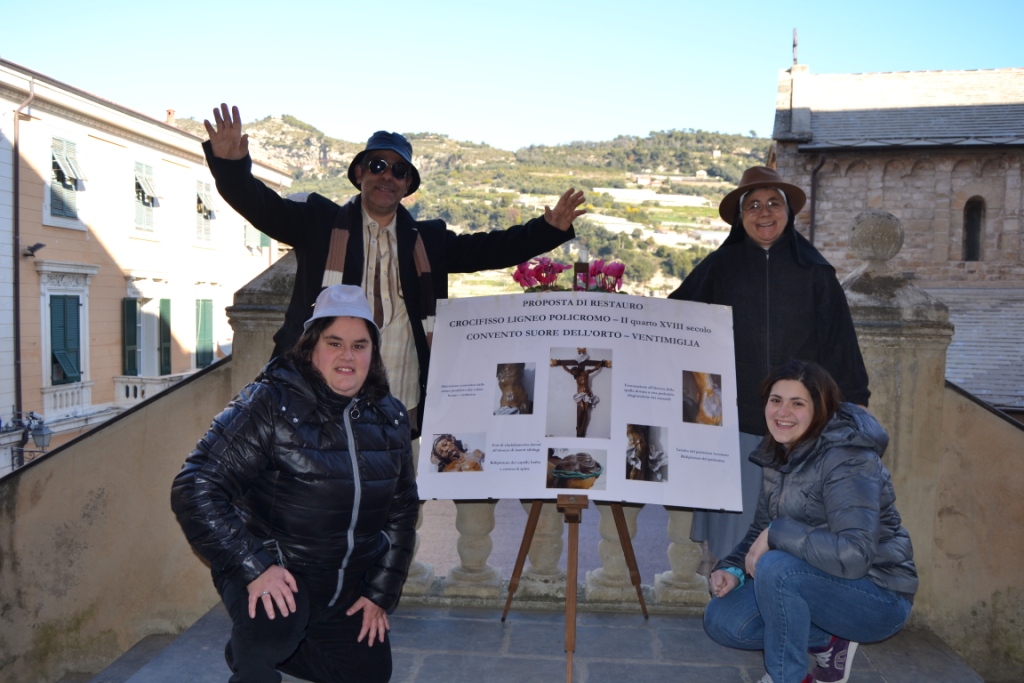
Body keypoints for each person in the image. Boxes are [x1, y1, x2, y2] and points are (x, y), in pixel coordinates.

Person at [203, 104, 584, 434]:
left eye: (399, 170)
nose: (388, 175)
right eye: (378, 165)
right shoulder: (318, 222)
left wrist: (548, 229)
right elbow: (261, 206)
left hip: (401, 394)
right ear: (359, 173)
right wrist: (231, 167)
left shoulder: (427, 240)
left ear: (408, 185)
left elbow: (490, 249)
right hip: (319, 391)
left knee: (391, 490)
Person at [171, 284, 418, 683]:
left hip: (341, 589)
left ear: (373, 354)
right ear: (310, 347)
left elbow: (402, 511)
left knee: (369, 674)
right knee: (274, 631)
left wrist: (378, 593)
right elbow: (195, 485)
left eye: (359, 346)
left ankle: (266, 644)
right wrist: (256, 567)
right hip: (276, 573)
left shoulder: (390, 417)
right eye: (334, 343)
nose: (347, 356)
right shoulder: (269, 403)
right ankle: (257, 652)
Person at [668, 166, 870, 566]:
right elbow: (673, 320)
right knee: (734, 532)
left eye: (773, 203)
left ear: (788, 213)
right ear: (741, 217)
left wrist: (856, 401)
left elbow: (840, 342)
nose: (764, 213)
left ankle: (783, 596)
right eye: (754, 205)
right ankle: (730, 594)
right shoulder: (719, 267)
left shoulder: (816, 272)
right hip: (734, 422)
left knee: (793, 531)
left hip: (799, 424)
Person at [703, 360, 916, 683]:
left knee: (777, 567)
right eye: (776, 400)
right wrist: (733, 569)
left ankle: (787, 677)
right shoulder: (780, 451)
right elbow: (761, 528)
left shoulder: (848, 458)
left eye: (797, 403)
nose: (782, 412)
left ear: (820, 409)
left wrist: (777, 532)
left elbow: (855, 555)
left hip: (878, 594)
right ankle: (828, 640)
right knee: (724, 620)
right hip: (816, 580)